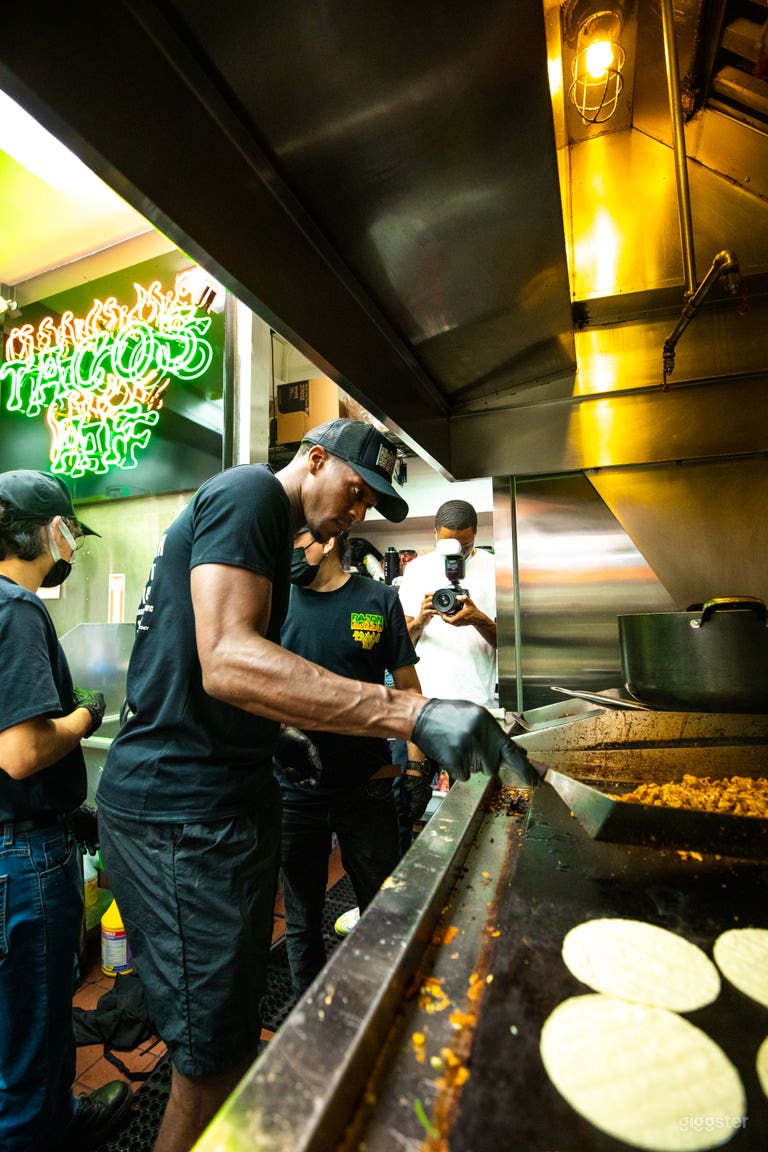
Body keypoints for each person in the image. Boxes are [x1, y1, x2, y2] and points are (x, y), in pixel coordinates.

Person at [96, 417, 530, 1152]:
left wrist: (279, 730)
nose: (356, 513)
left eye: (369, 506)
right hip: (180, 811)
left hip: (218, 802)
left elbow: (222, 674)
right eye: (355, 492)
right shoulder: (251, 495)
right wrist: (411, 713)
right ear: (315, 458)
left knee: (225, 1039)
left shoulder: (273, 539)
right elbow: (227, 659)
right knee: (210, 1062)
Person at [0, 469, 133, 1152]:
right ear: (48, 531)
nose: (72, 547)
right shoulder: (17, 609)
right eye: (71, 532)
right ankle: (40, 1132)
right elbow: (21, 752)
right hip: (20, 858)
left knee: (11, 1025)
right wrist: (83, 716)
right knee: (35, 1020)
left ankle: (56, 1122)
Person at [276, 530, 430, 995]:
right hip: (294, 790)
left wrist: (418, 766)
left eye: (297, 539)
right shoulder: (273, 602)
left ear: (326, 542)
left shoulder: (379, 600)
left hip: (368, 785)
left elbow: (408, 692)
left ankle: (377, 1008)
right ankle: (307, 1023)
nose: (289, 553)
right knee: (301, 919)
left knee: (381, 909)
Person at [397, 498, 498, 709]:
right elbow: (400, 646)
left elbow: (511, 647)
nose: (458, 552)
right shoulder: (417, 569)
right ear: (434, 533)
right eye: (449, 545)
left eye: (466, 545)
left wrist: (478, 620)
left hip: (478, 699)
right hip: (427, 699)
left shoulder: (497, 567)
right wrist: (420, 621)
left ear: (476, 533)